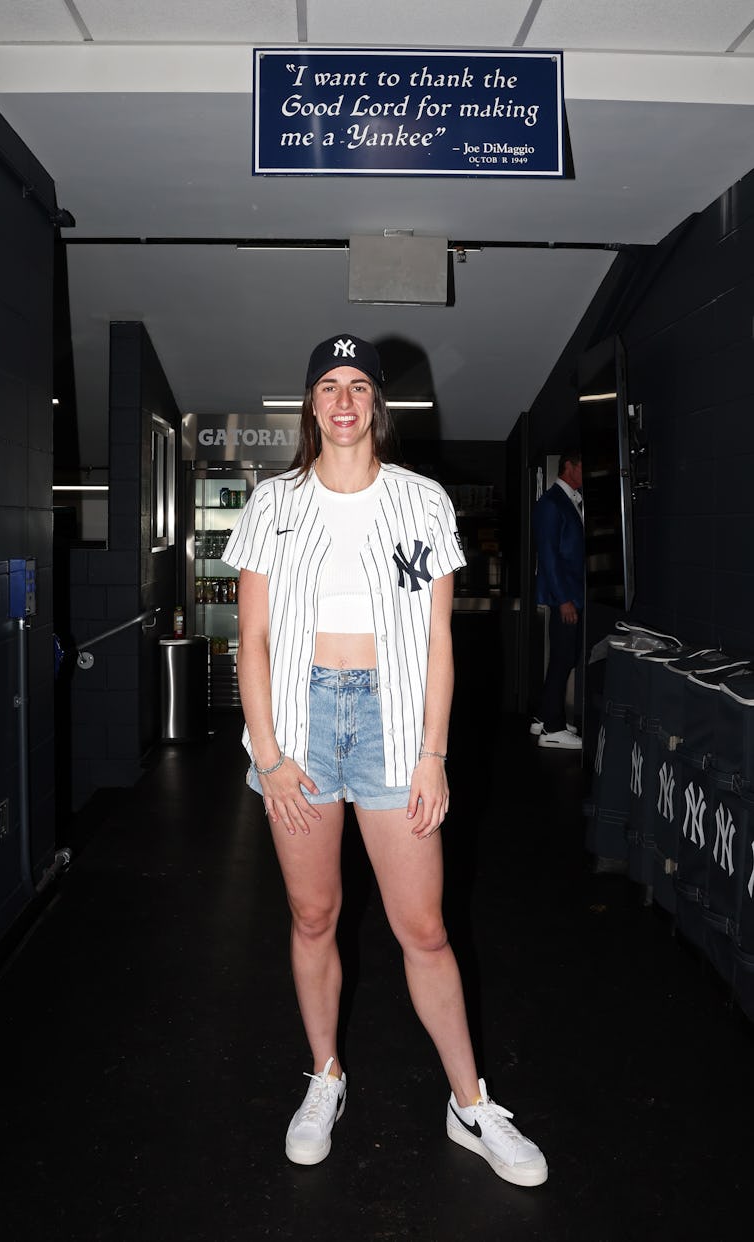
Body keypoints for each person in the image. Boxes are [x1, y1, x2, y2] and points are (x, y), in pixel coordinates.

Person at [222, 334, 547, 1187]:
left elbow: (440, 641)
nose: (342, 399)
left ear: (377, 407)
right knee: (313, 918)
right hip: (297, 727)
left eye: (358, 385)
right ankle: (324, 1075)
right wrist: (271, 753)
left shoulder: (423, 502)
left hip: (393, 728)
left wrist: (433, 754)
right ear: (309, 406)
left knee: (425, 929)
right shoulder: (272, 504)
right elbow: (250, 641)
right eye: (327, 385)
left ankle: (470, 1102)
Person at [532, 450, 585, 749]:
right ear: (569, 466)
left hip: (568, 592)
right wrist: (564, 599)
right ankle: (553, 727)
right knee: (564, 657)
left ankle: (544, 716)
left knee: (563, 657)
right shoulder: (552, 503)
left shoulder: (564, 501)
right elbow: (549, 557)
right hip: (564, 594)